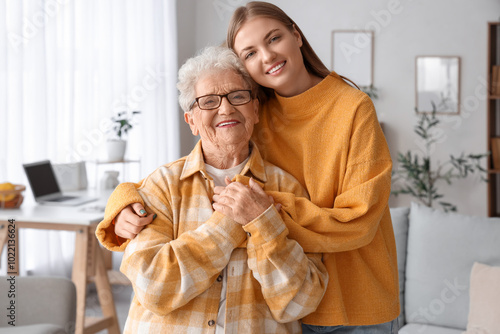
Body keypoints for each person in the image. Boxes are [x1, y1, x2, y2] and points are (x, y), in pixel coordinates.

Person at [96, 2, 399, 333]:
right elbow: (176, 177)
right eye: (250, 53)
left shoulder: (353, 108)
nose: (267, 57)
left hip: (357, 294)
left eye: (274, 39)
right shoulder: (257, 111)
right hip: (305, 309)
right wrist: (122, 202)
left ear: (296, 35)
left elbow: (360, 220)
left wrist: (262, 212)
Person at [107, 45, 329, 333]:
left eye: (238, 96)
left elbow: (299, 303)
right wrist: (229, 225)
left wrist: (264, 225)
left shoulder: (287, 188)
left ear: (255, 109)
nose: (226, 108)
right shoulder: (160, 186)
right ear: (192, 121)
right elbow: (154, 289)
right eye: (209, 101)